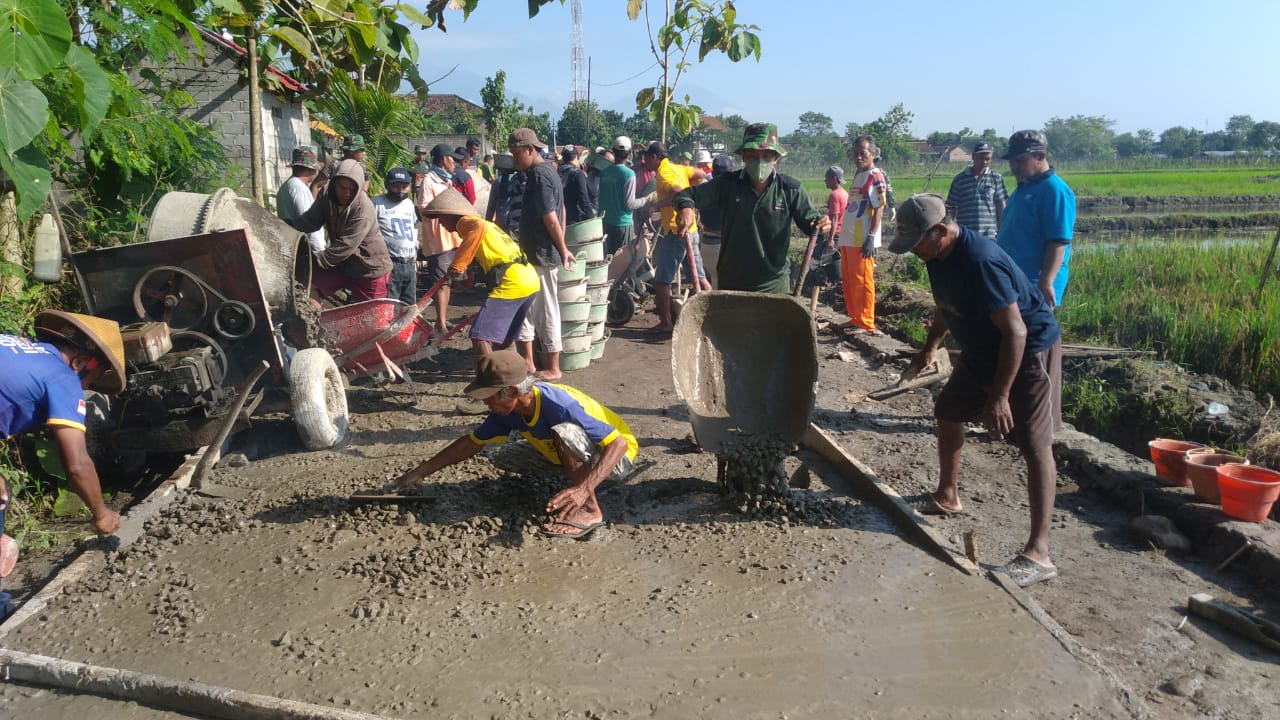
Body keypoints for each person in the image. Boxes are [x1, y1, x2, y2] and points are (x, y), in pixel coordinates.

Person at [889, 193, 1063, 588]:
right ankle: (947, 496)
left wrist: (1000, 396)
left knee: (1035, 444)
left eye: (917, 242)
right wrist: (929, 347)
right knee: (948, 411)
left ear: (939, 231)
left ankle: (1040, 553)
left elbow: (1016, 332)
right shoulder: (937, 256)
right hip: (982, 347)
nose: (914, 251)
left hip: (1027, 351)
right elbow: (945, 305)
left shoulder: (979, 259)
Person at [389, 350, 638, 539]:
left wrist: (583, 488)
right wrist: (417, 474)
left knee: (564, 432)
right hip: (578, 454)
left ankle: (590, 509)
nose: (485, 402)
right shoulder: (505, 412)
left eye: (489, 396)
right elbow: (470, 443)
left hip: (616, 458)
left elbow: (618, 445)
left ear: (511, 392)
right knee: (502, 454)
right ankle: (574, 480)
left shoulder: (560, 405)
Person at [0, 311, 127, 619]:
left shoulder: (17, 350)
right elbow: (78, 464)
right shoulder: (62, 377)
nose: (85, 385)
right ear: (84, 361)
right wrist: (102, 514)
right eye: (93, 378)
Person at [673, 122, 830, 294]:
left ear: (776, 158)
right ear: (743, 156)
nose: (759, 162)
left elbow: (814, 225)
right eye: (753, 155)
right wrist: (686, 208)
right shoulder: (727, 185)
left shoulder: (790, 189)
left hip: (774, 286)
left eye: (766, 156)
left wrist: (822, 226)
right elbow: (685, 195)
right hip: (732, 284)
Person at [423, 189, 539, 357]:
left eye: (441, 217)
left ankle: (491, 376)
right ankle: (520, 371)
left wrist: (457, 266)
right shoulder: (488, 226)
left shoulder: (466, 222)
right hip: (529, 278)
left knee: (479, 335)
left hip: (512, 280)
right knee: (507, 337)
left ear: (451, 214)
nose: (440, 223)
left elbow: (477, 229)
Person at [510, 128, 573, 380]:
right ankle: (528, 362)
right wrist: (563, 243)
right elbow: (562, 211)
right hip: (534, 254)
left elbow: (550, 216)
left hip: (542, 255)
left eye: (516, 154)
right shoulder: (548, 172)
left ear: (529, 150)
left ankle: (553, 367)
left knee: (545, 310)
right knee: (525, 308)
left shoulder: (539, 176)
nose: (514, 159)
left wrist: (562, 248)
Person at [286, 159, 392, 305]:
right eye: (343, 188)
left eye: (353, 189)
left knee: (371, 319)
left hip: (369, 269)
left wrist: (313, 261)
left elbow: (345, 246)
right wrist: (284, 228)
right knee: (307, 289)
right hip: (343, 265)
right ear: (334, 183)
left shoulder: (363, 209)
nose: (347, 193)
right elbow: (308, 223)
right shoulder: (327, 200)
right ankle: (310, 325)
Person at [996, 130, 1076, 310]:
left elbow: (1058, 241)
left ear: (1040, 156)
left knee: (1030, 335)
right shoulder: (1024, 189)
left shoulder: (1054, 191)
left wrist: (1046, 281)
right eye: (1012, 161)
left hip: (1034, 283)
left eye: (1020, 160)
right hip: (1013, 280)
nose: (1014, 166)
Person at [642, 140, 709, 335]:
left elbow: (678, 192)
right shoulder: (679, 168)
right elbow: (701, 174)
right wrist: (691, 190)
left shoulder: (664, 174)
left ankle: (666, 322)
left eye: (647, 156)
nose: (644, 160)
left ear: (655, 157)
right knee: (700, 277)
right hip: (692, 230)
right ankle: (713, 316)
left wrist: (656, 206)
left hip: (675, 231)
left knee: (662, 281)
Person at [836, 136, 888, 335]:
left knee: (863, 279)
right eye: (855, 154)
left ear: (873, 154)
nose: (858, 157)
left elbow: (879, 210)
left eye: (862, 153)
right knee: (850, 280)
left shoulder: (875, 176)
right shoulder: (859, 175)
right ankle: (855, 317)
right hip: (849, 237)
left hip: (862, 239)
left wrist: (870, 237)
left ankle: (866, 321)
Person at [416, 144, 465, 332]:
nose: (454, 163)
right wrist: (446, 213)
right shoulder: (429, 181)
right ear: (444, 159)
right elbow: (423, 209)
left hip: (451, 238)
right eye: (452, 159)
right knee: (441, 282)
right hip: (438, 240)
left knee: (448, 281)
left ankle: (442, 320)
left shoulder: (446, 181)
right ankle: (441, 323)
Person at [599, 136, 655, 258]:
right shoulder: (629, 174)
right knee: (621, 260)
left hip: (605, 222)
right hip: (622, 224)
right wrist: (647, 199)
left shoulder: (604, 172)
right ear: (629, 153)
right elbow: (629, 204)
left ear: (613, 151)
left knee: (607, 259)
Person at [372, 167, 419, 305]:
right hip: (390, 263)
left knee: (409, 306)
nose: (400, 190)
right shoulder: (376, 203)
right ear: (387, 185)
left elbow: (414, 227)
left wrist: (415, 251)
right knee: (389, 304)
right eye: (396, 186)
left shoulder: (409, 204)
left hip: (409, 263)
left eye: (404, 187)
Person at [946, 141, 1008, 240]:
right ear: (973, 157)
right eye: (981, 158)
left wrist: (1002, 231)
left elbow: (1001, 206)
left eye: (987, 159)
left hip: (989, 236)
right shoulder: (960, 179)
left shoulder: (996, 178)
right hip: (966, 235)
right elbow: (950, 209)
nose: (984, 162)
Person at [276, 146, 326, 254]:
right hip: (307, 250)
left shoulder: (288, 186)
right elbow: (309, 222)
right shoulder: (298, 188)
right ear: (309, 169)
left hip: (293, 246)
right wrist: (320, 252)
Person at [696, 154, 736, 289]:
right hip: (721, 245)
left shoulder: (704, 190)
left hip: (707, 245)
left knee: (716, 280)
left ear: (712, 172)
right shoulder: (730, 193)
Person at [808, 164, 847, 292]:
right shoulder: (844, 193)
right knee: (834, 258)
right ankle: (835, 283)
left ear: (834, 179)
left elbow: (835, 218)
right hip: (844, 233)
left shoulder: (835, 195)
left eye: (827, 178)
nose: (825, 180)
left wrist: (830, 238)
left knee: (814, 256)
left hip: (836, 233)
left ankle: (812, 283)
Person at [484, 152, 519, 232]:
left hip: (501, 223)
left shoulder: (497, 182)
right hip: (516, 224)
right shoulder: (520, 180)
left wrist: (487, 225)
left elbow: (491, 207)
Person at [559, 146, 594, 226]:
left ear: (563, 158)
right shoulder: (577, 173)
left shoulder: (556, 171)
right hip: (575, 221)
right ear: (578, 157)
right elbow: (583, 198)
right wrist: (591, 218)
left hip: (560, 219)